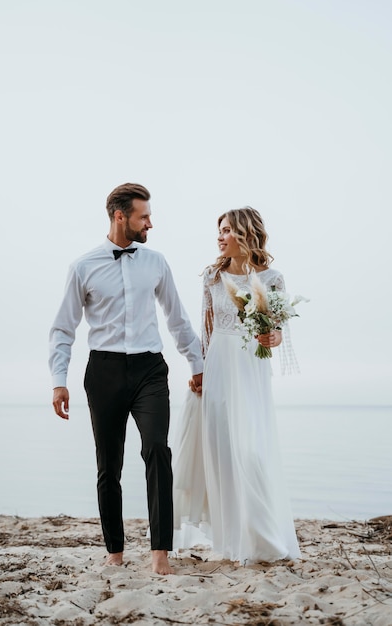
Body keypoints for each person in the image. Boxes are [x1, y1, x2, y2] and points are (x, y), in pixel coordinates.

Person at [49, 183, 203, 575]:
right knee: (109, 465)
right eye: (144, 216)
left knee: (157, 450)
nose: (150, 222)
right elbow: (63, 328)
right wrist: (58, 379)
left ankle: (160, 555)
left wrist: (197, 363)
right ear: (121, 217)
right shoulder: (83, 266)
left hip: (150, 368)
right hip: (104, 372)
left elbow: (177, 317)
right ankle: (114, 552)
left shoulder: (156, 262)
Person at [173, 207, 301, 564]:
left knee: (251, 451)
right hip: (217, 367)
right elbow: (207, 327)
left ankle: (263, 537)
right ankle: (232, 541)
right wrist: (198, 368)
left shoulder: (272, 277)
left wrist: (272, 336)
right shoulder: (212, 276)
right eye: (219, 230)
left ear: (245, 233)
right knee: (222, 453)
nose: (220, 236)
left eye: (227, 230)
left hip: (250, 368)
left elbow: (276, 330)